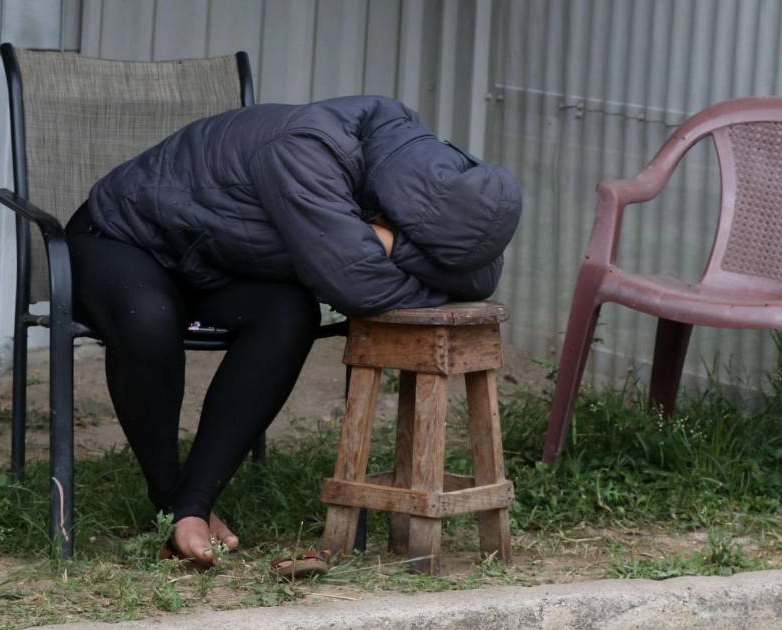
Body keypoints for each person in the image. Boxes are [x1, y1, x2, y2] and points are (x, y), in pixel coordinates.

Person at [66, 95, 521, 566]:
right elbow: (358, 286)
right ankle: (172, 504)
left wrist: (388, 245)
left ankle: (193, 501)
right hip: (120, 237)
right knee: (148, 316)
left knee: (289, 313)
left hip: (210, 262)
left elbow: (479, 276)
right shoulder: (307, 150)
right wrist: (401, 251)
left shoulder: (421, 174)